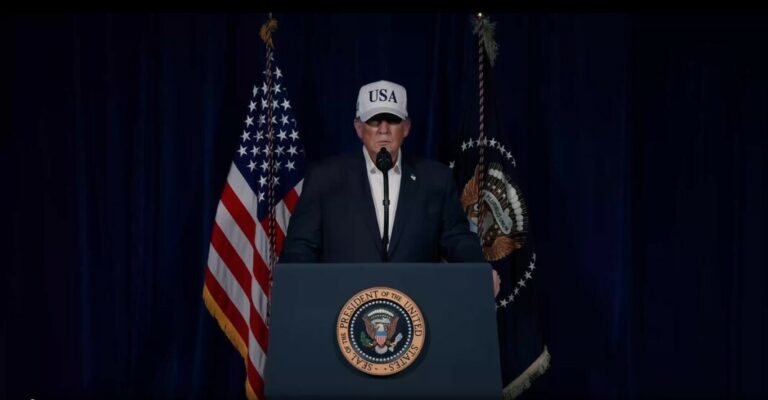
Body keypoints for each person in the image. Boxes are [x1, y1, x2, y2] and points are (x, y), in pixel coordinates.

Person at [280, 80, 498, 292]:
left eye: (392, 120)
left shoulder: (436, 179)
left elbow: (457, 239)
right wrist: (293, 289)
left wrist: (480, 271)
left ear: (406, 127)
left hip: (416, 305)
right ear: (358, 128)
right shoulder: (324, 178)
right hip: (343, 305)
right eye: (374, 121)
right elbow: (300, 248)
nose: (383, 130)